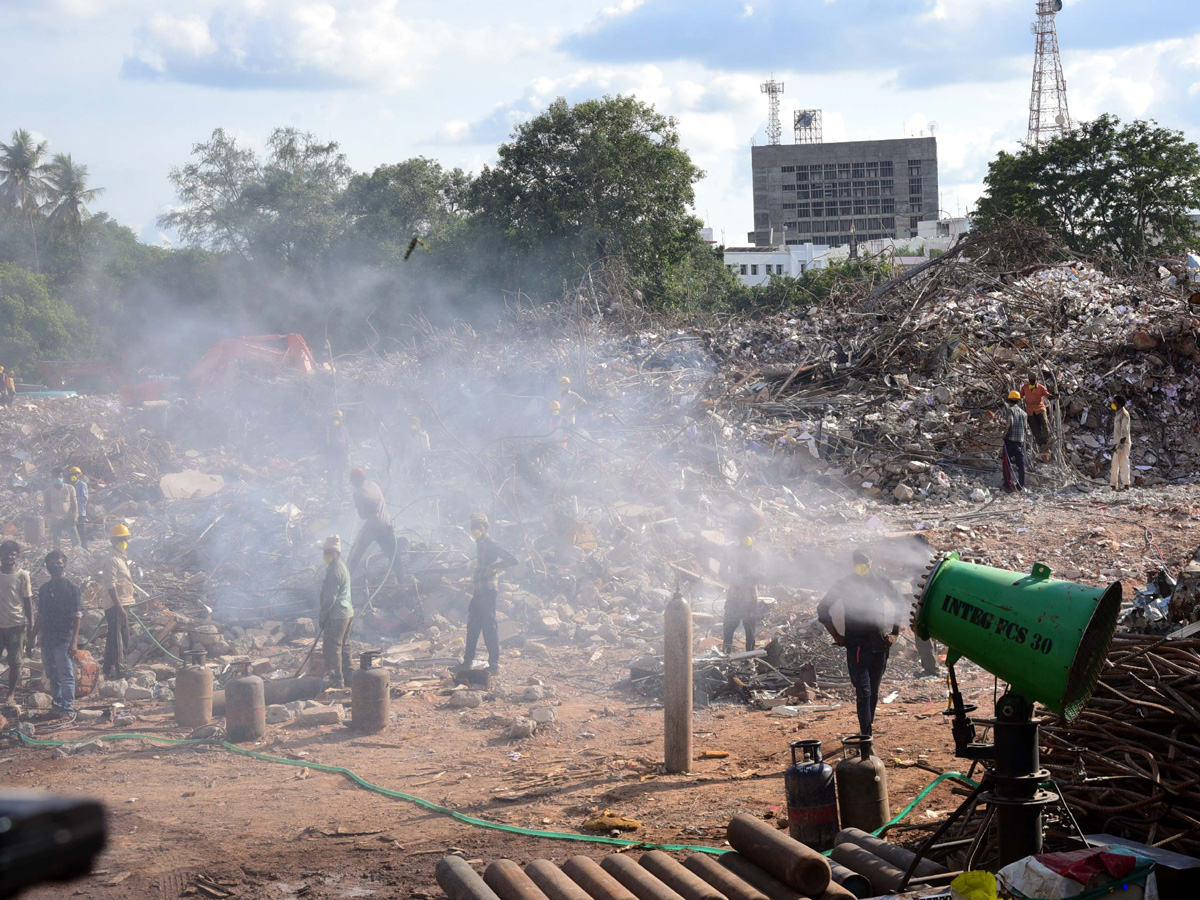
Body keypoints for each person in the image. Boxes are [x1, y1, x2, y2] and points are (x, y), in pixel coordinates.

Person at [816, 550, 902, 736]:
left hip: (879, 646)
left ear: (872, 561)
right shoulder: (845, 584)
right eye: (858, 562)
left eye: (865, 561)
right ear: (853, 563)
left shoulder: (882, 582)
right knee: (863, 691)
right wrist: (837, 637)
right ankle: (866, 736)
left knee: (874, 691)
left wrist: (895, 633)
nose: (862, 565)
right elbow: (823, 609)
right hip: (857, 646)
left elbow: (898, 604)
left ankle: (867, 733)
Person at [462, 513, 517, 676]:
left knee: (489, 626)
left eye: (478, 527)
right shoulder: (479, 543)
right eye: (473, 527)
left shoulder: (491, 543)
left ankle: (494, 664)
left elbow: (513, 559)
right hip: (479, 589)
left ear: (485, 527)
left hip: (488, 588)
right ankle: (467, 662)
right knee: (472, 625)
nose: (475, 530)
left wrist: (495, 567)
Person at [33, 550, 81, 714]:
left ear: (64, 565)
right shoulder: (45, 589)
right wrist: (32, 637)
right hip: (47, 638)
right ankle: (57, 704)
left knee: (66, 675)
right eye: (53, 562)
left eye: (59, 562)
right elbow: (40, 615)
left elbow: (77, 617)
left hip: (63, 638)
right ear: (47, 566)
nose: (56, 565)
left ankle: (67, 708)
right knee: (52, 675)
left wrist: (74, 642)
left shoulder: (72, 588)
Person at [347, 468, 400, 576]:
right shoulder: (374, 485)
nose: (352, 484)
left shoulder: (358, 494)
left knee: (355, 555)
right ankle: (402, 579)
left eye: (352, 481)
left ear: (356, 479)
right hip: (386, 524)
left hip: (373, 528)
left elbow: (362, 516)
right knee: (393, 555)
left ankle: (344, 580)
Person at [318, 535, 354, 688]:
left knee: (334, 647)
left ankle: (337, 680)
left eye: (328, 552)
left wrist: (323, 615)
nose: (325, 555)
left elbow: (329, 599)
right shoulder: (341, 567)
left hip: (337, 615)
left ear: (336, 553)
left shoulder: (335, 571)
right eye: (325, 552)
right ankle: (350, 677)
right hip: (347, 613)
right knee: (344, 646)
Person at [0, 540, 33, 705]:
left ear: (17, 556)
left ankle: (10, 694)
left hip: (16, 626)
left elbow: (27, 601)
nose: (9, 556)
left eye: (12, 553)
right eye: (6, 552)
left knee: (15, 662)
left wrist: (31, 623)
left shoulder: (22, 575)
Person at [101, 524, 134, 677]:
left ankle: (107, 669)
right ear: (113, 540)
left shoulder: (121, 556)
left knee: (113, 637)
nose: (125, 541)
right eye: (122, 539)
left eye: (126, 538)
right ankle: (121, 670)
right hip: (115, 605)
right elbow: (110, 584)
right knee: (120, 639)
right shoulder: (111, 559)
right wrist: (119, 606)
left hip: (124, 602)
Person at [723, 531, 760, 654]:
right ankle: (726, 653)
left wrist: (750, 580)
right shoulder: (733, 554)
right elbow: (722, 571)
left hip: (748, 598)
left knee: (749, 629)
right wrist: (733, 579)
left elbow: (763, 574)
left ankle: (749, 656)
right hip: (735, 596)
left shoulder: (756, 555)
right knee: (729, 627)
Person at [43, 467, 80, 549]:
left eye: (60, 477)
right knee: (57, 542)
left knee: (76, 540)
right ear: (52, 478)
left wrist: (75, 516)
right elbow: (46, 508)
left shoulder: (70, 488)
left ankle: (78, 556)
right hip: (56, 521)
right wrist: (53, 517)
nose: (58, 479)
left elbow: (74, 504)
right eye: (56, 477)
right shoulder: (48, 491)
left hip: (68, 519)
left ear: (63, 477)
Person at [1001, 390, 1028, 492]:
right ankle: (1020, 485)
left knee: (1006, 463)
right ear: (1019, 401)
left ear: (1009, 400)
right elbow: (1025, 428)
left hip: (1010, 441)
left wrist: (1004, 435)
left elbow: (1009, 424)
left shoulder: (1010, 410)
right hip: (1020, 441)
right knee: (1020, 464)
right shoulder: (1024, 414)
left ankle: (1007, 485)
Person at [1020, 373, 1055, 451]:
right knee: (1035, 429)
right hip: (1030, 411)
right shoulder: (1025, 388)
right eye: (1031, 380)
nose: (1032, 382)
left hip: (1040, 408)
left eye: (1033, 380)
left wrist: (1054, 396)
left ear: (1036, 380)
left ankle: (1047, 440)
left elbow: (1048, 396)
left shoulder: (1041, 388)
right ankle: (1042, 444)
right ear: (1029, 380)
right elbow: (1020, 396)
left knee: (1044, 423)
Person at [1111, 395, 1132, 492]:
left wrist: (1120, 445)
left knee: (1123, 463)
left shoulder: (1124, 414)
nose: (1113, 404)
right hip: (1118, 443)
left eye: (1115, 402)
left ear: (1119, 404)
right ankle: (1113, 485)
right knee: (1115, 463)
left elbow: (1124, 431)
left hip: (1123, 443)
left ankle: (1126, 484)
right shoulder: (1118, 413)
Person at [68, 467, 90, 550]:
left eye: (75, 474)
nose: (73, 476)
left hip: (80, 513)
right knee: (73, 532)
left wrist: (74, 499)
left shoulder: (82, 485)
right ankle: (76, 549)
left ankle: (85, 549)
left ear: (78, 475)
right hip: (72, 513)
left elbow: (84, 498)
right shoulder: (69, 486)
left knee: (81, 531)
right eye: (71, 474)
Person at [325, 410, 349, 480]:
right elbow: (327, 442)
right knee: (331, 469)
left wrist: (346, 455)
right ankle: (330, 485)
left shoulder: (344, 428)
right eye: (335, 418)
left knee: (341, 470)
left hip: (341, 452)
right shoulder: (329, 428)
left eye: (338, 418)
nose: (337, 420)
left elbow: (346, 442)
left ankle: (340, 486)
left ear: (341, 419)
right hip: (333, 451)